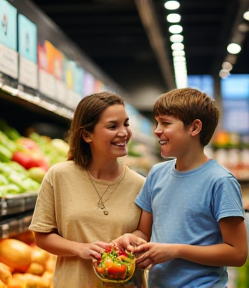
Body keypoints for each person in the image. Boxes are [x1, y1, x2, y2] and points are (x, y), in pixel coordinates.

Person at [114, 88, 248, 288]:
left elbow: (237, 253)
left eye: (166, 123)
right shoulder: (156, 174)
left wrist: (176, 250)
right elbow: (144, 233)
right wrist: (130, 239)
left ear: (194, 128)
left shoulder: (220, 182)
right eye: (157, 122)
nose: (157, 130)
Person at [29, 92, 146, 288]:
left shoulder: (140, 185)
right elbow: (42, 237)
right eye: (112, 126)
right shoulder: (59, 176)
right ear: (86, 135)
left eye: (126, 124)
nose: (124, 132)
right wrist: (79, 248)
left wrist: (131, 239)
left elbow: (145, 234)